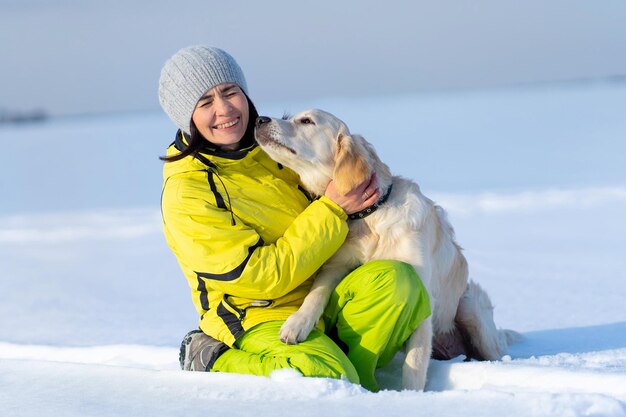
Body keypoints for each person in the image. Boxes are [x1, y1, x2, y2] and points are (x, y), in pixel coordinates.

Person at [158, 45, 431, 391]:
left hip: (320, 298)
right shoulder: (189, 191)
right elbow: (260, 276)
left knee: (399, 283)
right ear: (188, 117)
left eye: (230, 92)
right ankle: (215, 361)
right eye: (205, 102)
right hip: (260, 313)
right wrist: (332, 209)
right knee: (321, 376)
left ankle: (358, 382)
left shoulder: (274, 148)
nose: (224, 109)